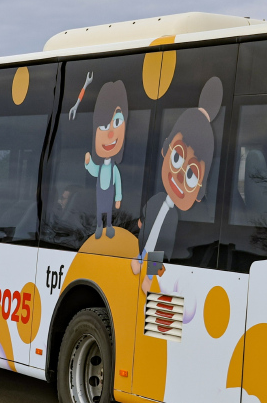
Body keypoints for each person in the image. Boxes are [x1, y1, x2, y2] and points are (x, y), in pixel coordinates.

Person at [139, 77, 222, 278]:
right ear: (165, 150)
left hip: (150, 272)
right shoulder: (156, 200)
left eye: (192, 175)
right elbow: (143, 223)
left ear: (200, 192)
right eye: (177, 157)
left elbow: (163, 250)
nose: (179, 176)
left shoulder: (173, 217)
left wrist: (149, 277)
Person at [84, 81, 129, 238]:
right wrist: (88, 163)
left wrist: (118, 199)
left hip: (109, 191)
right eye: (103, 127)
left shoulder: (113, 168)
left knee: (108, 209)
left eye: (116, 122)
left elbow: (119, 183)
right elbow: (94, 171)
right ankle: (98, 227)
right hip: (100, 191)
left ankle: (109, 225)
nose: (110, 134)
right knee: (99, 209)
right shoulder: (101, 166)